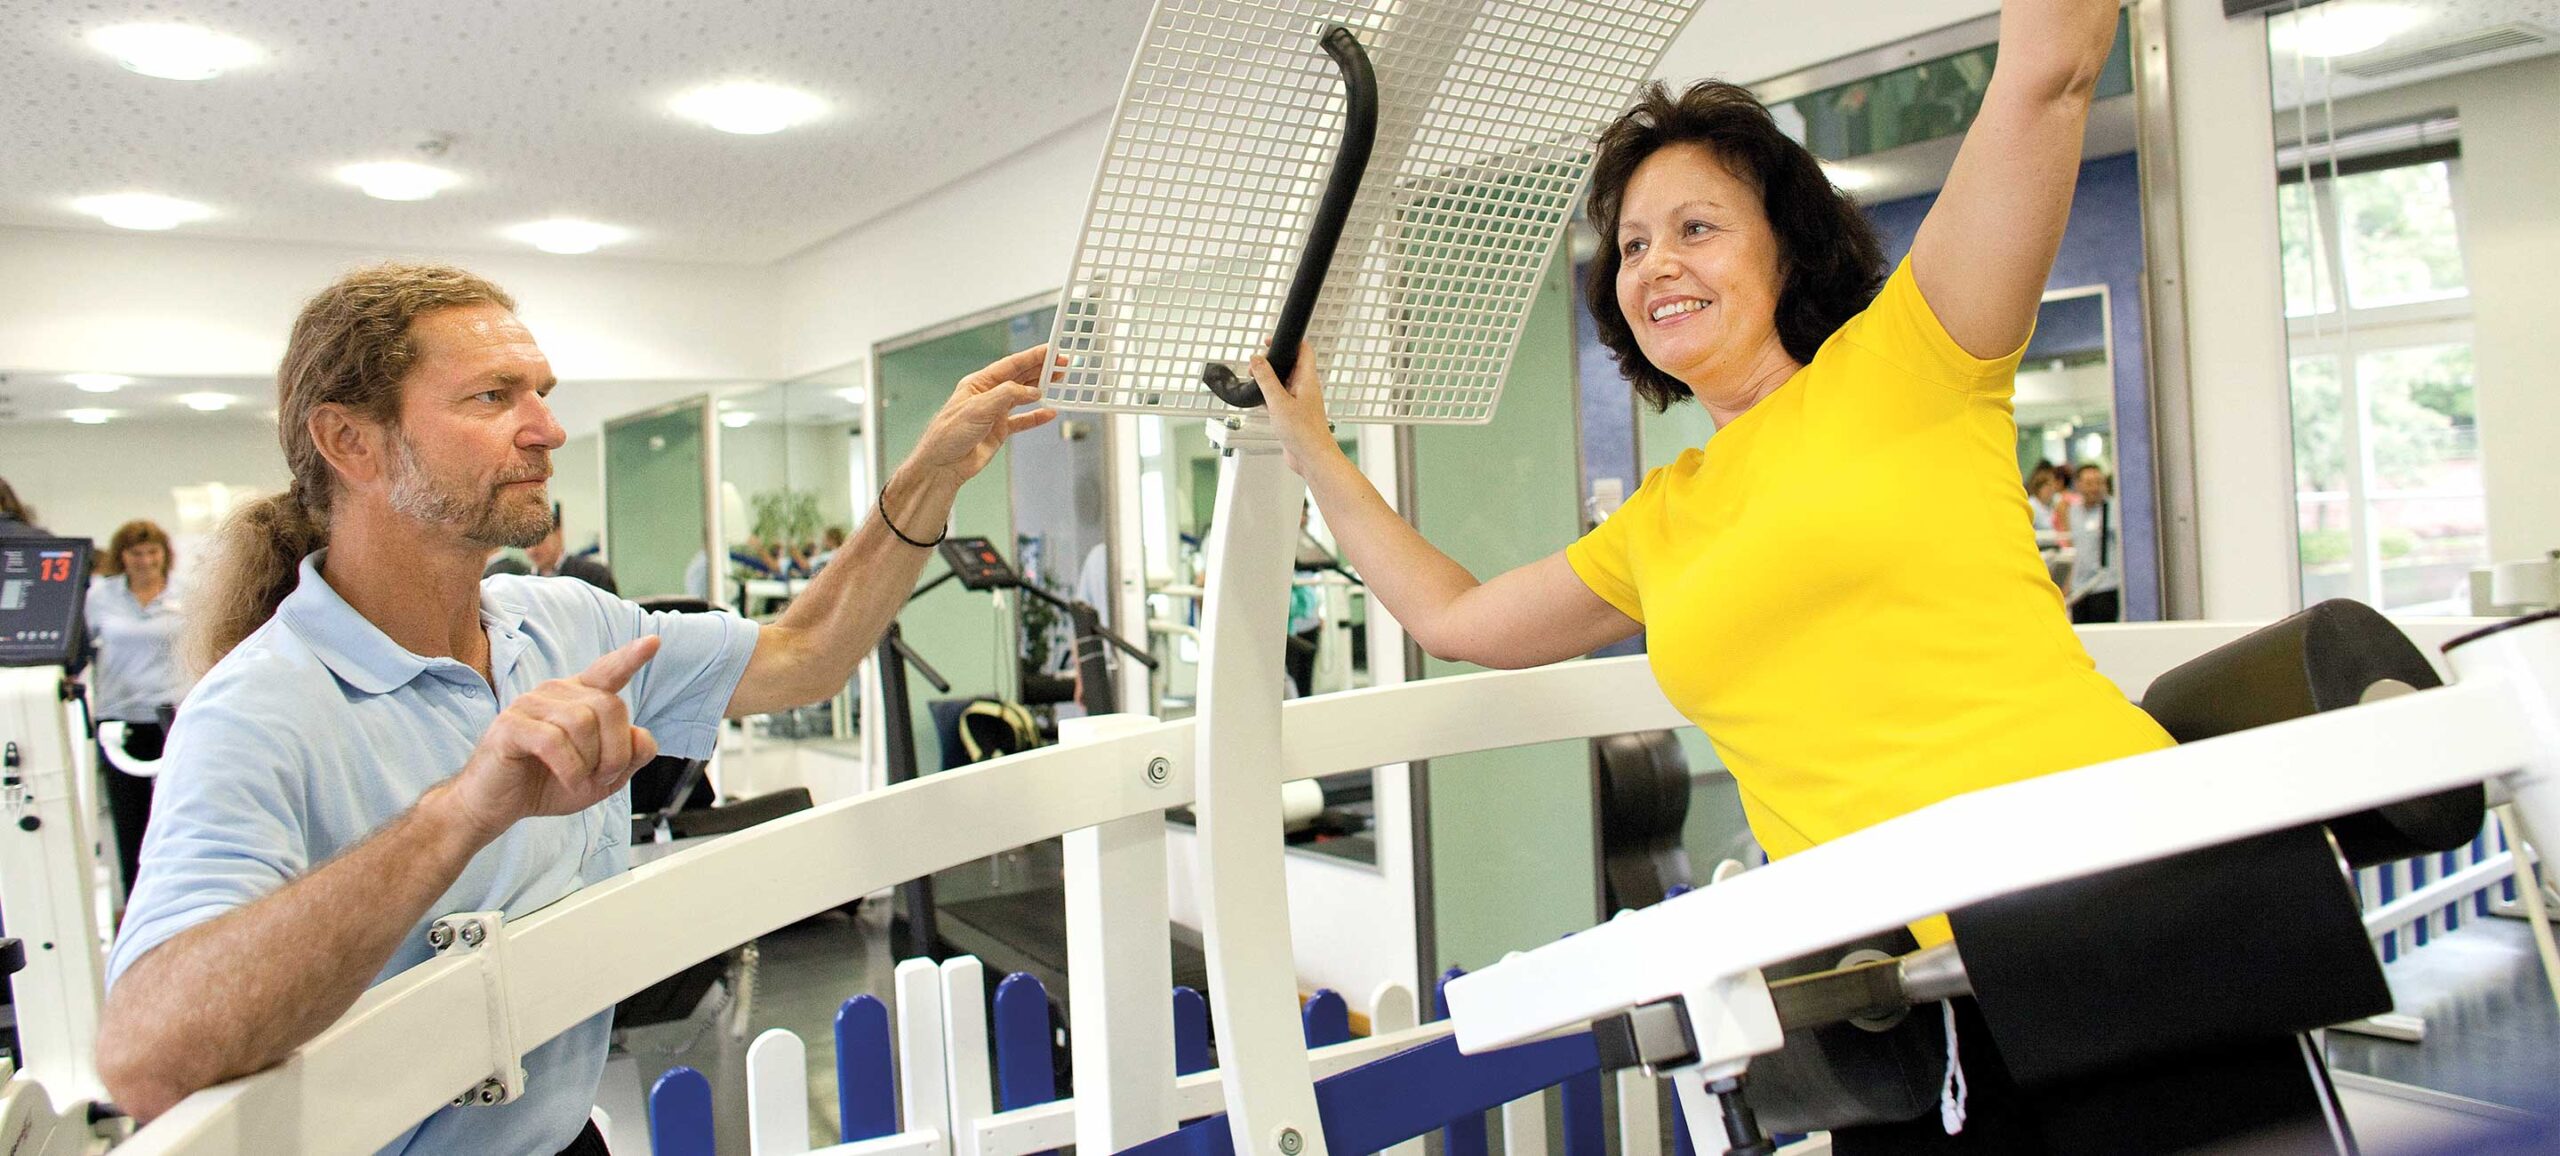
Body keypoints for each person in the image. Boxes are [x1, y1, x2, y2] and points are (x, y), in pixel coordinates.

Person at [1255, 4, 2160, 1149]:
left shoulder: (1913, 356)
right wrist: (1316, 452)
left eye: (1696, 227)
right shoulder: (1660, 519)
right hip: (1898, 989)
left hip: (2107, 899)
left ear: (1788, 244)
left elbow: (2050, 73)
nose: (1656, 264)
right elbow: (1455, 614)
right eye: (1631, 245)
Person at [94, 262, 1054, 1154]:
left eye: (540, 394)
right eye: (490, 398)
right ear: (351, 442)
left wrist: (932, 471)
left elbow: (805, 657)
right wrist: (463, 810)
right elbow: (148, 1058)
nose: (545, 428)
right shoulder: (259, 710)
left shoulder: (561, 623)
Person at [86, 519, 190, 909]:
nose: (144, 560)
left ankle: (179, 905)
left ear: (164, 553)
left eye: (152, 552)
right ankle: (135, 907)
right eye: (135, 553)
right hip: (120, 718)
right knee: (129, 823)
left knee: (176, 814)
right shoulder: (100, 596)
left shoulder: (186, 593)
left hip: (174, 713)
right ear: (122, 557)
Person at [2065, 463, 2121, 623]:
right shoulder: (2072, 512)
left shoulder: (2113, 509)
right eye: (2089, 483)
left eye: (2099, 482)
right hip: (2079, 590)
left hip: (2105, 586)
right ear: (2078, 485)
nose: (2094, 488)